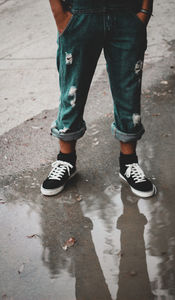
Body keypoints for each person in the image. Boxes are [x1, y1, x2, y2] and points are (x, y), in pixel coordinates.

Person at [41, 0, 156, 198]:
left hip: (126, 14)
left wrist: (145, 10)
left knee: (128, 91)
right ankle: (66, 160)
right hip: (80, 13)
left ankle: (128, 163)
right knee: (72, 91)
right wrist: (60, 16)